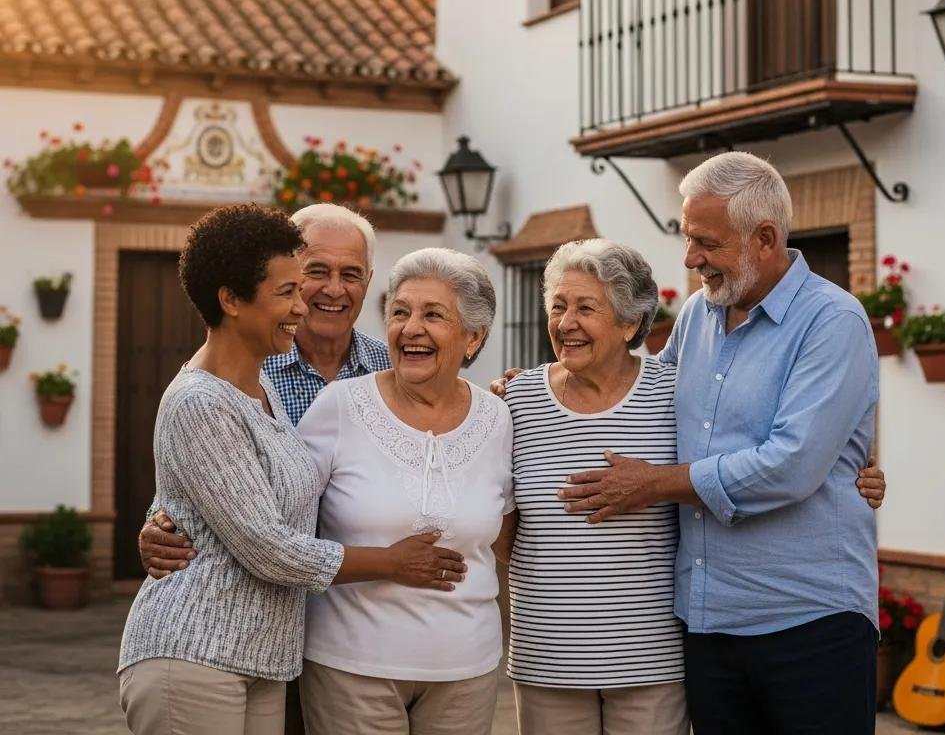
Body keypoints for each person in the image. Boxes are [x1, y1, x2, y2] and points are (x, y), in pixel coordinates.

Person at [559, 152, 881, 734]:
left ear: (764, 237)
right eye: (688, 239)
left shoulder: (834, 322)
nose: (689, 258)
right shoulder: (696, 318)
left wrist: (654, 484)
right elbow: (642, 403)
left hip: (808, 622)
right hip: (708, 622)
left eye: (706, 242)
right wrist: (537, 384)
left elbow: (791, 464)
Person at [117, 205, 460, 735]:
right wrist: (161, 519)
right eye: (309, 276)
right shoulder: (239, 370)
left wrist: (518, 395)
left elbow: (456, 430)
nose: (322, 294)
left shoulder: (391, 371)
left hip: (325, 644)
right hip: (229, 641)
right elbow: (222, 497)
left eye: (350, 275)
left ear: (369, 283)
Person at [296, 248, 515, 735]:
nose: (410, 328)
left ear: (473, 337)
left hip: (466, 668)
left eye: (433, 315)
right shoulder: (340, 406)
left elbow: (507, 530)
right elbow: (276, 519)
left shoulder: (498, 417)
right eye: (400, 312)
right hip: (351, 667)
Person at [497, 239, 688, 735]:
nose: (566, 323)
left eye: (586, 307)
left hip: (651, 660)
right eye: (558, 307)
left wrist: (854, 473)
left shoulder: (674, 394)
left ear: (630, 323)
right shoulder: (515, 399)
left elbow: (733, 466)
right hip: (547, 658)